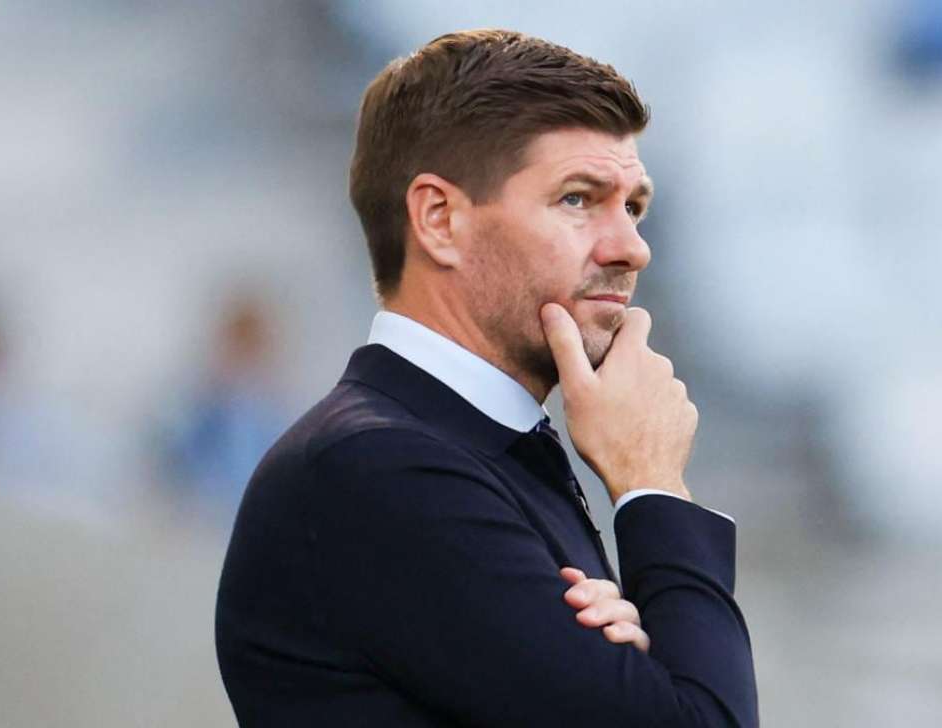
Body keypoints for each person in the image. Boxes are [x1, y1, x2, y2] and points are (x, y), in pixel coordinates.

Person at [215, 29, 758, 727]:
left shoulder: (471, 452)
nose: (632, 248)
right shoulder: (378, 469)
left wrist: (644, 658)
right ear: (439, 219)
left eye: (633, 207)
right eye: (578, 199)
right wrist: (652, 485)